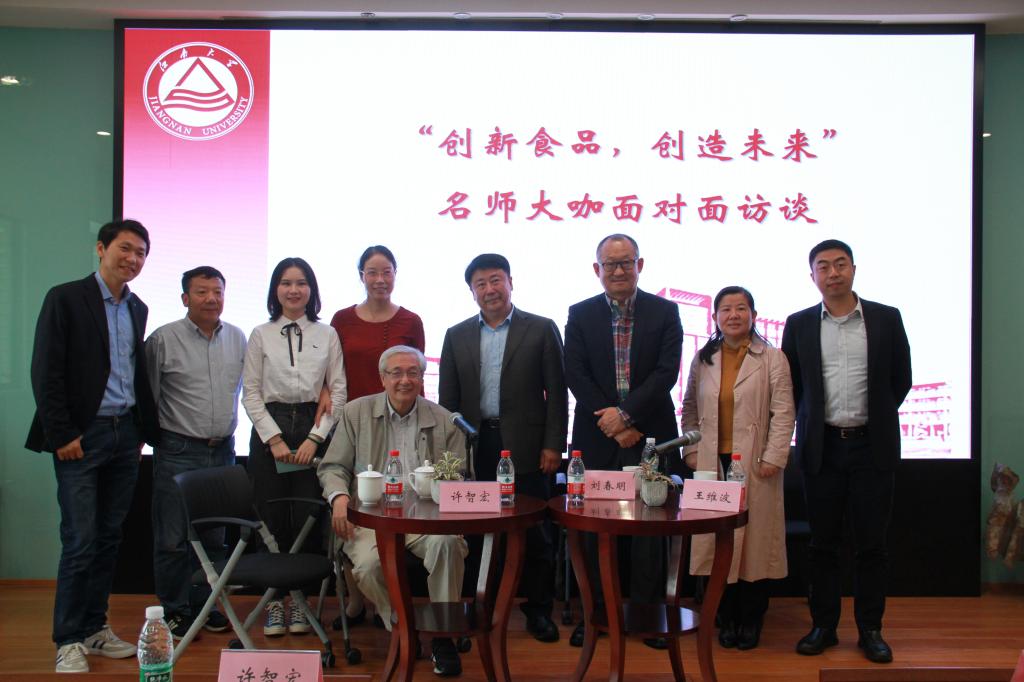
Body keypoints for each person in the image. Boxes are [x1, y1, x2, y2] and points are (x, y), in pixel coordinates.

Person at [26, 219, 159, 673]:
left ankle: (94, 628)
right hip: (82, 436)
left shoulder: (137, 307)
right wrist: (62, 433)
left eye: (141, 252)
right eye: (125, 248)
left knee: (107, 539)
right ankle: (67, 639)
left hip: (125, 435)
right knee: (80, 540)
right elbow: (46, 371)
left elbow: (131, 373)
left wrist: (140, 432)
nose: (133, 259)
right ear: (101, 248)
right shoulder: (65, 298)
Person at [781, 239, 911, 664]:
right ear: (813, 276)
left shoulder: (886, 318)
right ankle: (824, 626)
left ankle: (871, 629)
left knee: (872, 545)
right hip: (822, 449)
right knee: (823, 544)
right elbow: (793, 387)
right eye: (823, 266)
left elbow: (901, 379)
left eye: (840, 264)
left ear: (853, 269)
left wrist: (874, 418)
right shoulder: (799, 324)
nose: (833, 273)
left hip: (872, 448)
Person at [438, 253, 568, 643]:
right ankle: (481, 605)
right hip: (476, 445)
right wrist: (451, 454)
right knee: (476, 529)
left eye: (496, 280)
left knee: (535, 531)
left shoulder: (541, 328)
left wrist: (553, 445)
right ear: (471, 291)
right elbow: (448, 403)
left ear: (511, 282)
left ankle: (539, 610)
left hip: (528, 446)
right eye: (480, 284)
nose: (489, 289)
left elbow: (557, 394)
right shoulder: (456, 335)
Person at [563, 233, 683, 650]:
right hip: (597, 435)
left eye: (626, 262)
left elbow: (667, 372)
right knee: (595, 526)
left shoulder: (665, 311)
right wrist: (614, 422)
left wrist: (628, 416)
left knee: (651, 526)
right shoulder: (580, 314)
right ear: (597, 269)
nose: (618, 271)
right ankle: (595, 616)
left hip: (651, 432)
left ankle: (648, 616)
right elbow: (575, 372)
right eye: (610, 264)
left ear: (639, 265)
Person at [319, 346, 469, 677]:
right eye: (396, 373)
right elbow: (332, 467)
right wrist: (339, 497)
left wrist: (448, 494)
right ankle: (402, 626)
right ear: (382, 378)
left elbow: (459, 474)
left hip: (426, 520)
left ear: (422, 378)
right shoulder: (356, 413)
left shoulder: (445, 420)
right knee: (369, 566)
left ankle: (443, 635)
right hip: (370, 519)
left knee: (448, 545)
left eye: (413, 373)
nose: (405, 380)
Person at [681, 286, 795, 651]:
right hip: (711, 463)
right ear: (715, 317)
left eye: (741, 308)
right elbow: (689, 408)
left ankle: (751, 617)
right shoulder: (704, 359)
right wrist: (692, 451)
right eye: (726, 309)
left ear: (753, 315)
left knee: (755, 543)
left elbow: (784, 412)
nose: (733, 315)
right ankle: (724, 616)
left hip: (755, 463)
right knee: (718, 541)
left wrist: (774, 456)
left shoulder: (772, 358)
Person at [241, 257, 347, 637]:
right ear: (276, 289)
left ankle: (301, 602)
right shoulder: (260, 334)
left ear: (311, 290)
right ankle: (274, 602)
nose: (294, 290)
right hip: (270, 427)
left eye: (301, 283)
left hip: (311, 424)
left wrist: (315, 438)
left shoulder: (327, 333)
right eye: (286, 283)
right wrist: (273, 439)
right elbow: (251, 393)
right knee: (269, 517)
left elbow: (338, 391)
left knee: (307, 517)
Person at [145, 266, 246, 638]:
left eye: (217, 291)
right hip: (178, 449)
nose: (211, 299)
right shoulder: (162, 339)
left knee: (214, 538)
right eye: (202, 292)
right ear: (185, 298)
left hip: (222, 451)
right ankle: (174, 610)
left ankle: (206, 605)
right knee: (172, 539)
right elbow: (148, 397)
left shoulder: (236, 337)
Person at [329, 245, 425, 400]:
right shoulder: (342, 319)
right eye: (372, 273)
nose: (380, 280)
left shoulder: (411, 321)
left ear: (395, 274)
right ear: (362, 276)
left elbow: (417, 377)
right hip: (352, 410)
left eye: (387, 272)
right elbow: (330, 372)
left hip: (398, 411)